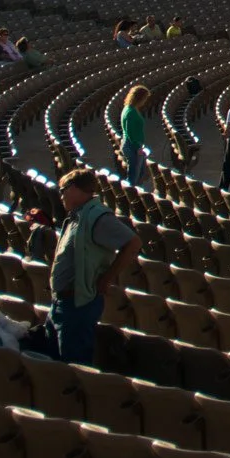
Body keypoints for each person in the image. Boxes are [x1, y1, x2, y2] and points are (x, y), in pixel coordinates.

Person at [47, 168, 138, 366]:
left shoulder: (98, 217)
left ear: (74, 189)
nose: (61, 195)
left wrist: (106, 279)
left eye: (63, 190)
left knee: (74, 365)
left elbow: (132, 243)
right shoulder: (78, 215)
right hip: (61, 303)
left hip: (78, 304)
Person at [117, 86, 151, 181]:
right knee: (133, 175)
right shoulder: (130, 112)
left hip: (133, 144)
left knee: (140, 173)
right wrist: (137, 147)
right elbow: (130, 132)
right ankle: (131, 193)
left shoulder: (129, 108)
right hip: (132, 146)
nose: (145, 101)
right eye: (145, 98)